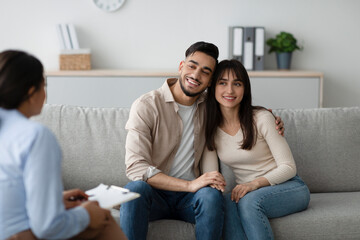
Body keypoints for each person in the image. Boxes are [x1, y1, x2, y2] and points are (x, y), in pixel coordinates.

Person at [120, 42, 285, 240]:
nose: (196, 75)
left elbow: (236, 106)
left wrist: (265, 116)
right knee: (134, 190)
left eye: (205, 72)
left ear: (210, 82)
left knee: (211, 196)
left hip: (191, 199)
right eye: (192, 66)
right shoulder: (147, 105)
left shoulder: (211, 107)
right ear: (181, 66)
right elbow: (136, 168)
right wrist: (189, 185)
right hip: (155, 195)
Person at [0, 50, 127, 240]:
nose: (45, 93)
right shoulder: (35, 136)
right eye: (44, 85)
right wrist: (87, 215)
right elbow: (47, 226)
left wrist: (55, 200)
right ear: (30, 91)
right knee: (105, 218)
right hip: (16, 235)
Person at [202, 59, 310, 240]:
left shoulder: (261, 118)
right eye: (223, 83)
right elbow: (212, 174)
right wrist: (215, 186)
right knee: (224, 203)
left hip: (289, 187)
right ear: (213, 87)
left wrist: (253, 184)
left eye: (237, 83)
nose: (229, 90)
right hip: (248, 193)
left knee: (249, 202)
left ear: (245, 89)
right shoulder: (211, 128)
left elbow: (289, 167)